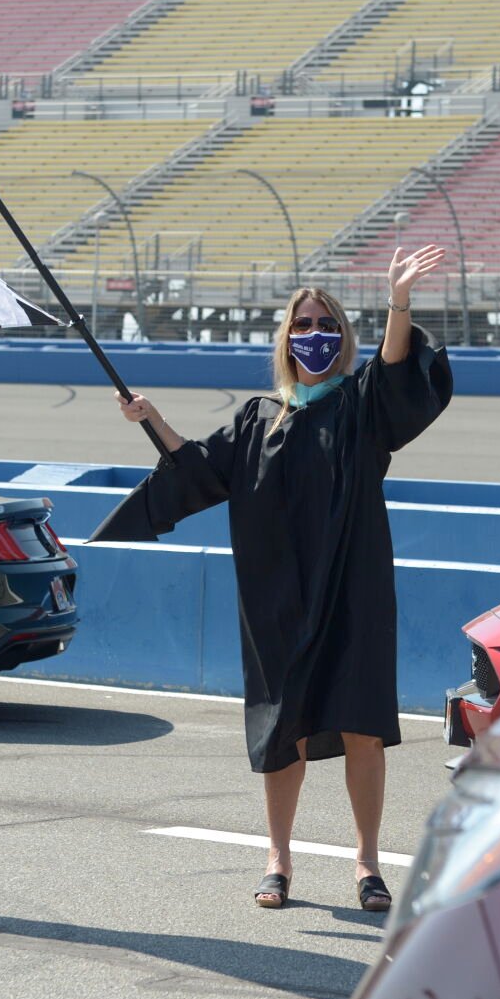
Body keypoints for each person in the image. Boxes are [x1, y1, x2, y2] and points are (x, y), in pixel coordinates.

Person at [94, 246, 453, 911]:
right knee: (280, 725)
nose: (313, 336)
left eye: (326, 326)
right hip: (277, 598)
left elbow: (399, 369)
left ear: (343, 339)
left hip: (353, 587)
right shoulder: (260, 418)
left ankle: (367, 863)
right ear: (285, 340)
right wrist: (152, 419)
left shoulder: (361, 407)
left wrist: (397, 302)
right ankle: (277, 858)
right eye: (302, 325)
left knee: (361, 726)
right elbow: (201, 469)